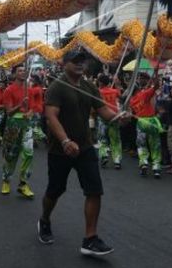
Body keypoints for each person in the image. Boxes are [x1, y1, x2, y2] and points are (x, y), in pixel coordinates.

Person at [38, 49, 128, 256]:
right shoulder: (56, 87)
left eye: (83, 61)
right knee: (55, 190)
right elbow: (51, 117)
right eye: (75, 61)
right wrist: (65, 141)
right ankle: (44, 219)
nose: (80, 64)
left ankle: (90, 239)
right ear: (64, 63)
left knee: (94, 190)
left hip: (85, 147)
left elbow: (103, 111)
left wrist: (118, 118)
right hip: (61, 150)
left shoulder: (89, 86)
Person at [0, 65, 34, 195]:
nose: (23, 72)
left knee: (29, 153)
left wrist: (29, 112)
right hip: (13, 124)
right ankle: (6, 181)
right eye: (19, 70)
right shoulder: (8, 90)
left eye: (24, 70)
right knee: (11, 155)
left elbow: (33, 108)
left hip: (26, 123)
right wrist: (20, 105)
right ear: (14, 74)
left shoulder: (29, 90)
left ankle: (23, 183)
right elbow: (8, 112)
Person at [129, 71, 163, 178]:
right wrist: (156, 75)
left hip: (141, 122)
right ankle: (156, 168)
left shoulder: (131, 101)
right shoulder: (144, 94)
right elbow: (157, 86)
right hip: (151, 121)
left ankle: (143, 164)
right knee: (155, 146)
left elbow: (132, 113)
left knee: (141, 145)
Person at [96, 74, 122, 169]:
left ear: (101, 82)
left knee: (102, 139)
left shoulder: (98, 92)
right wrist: (117, 84)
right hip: (114, 117)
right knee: (115, 140)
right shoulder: (114, 91)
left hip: (103, 117)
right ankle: (117, 160)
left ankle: (104, 156)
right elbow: (121, 96)